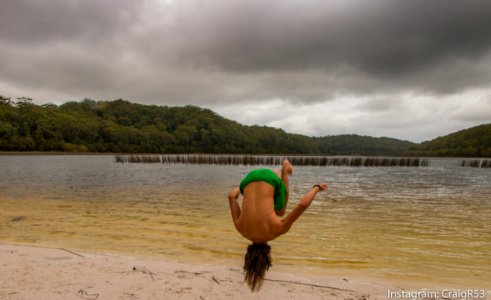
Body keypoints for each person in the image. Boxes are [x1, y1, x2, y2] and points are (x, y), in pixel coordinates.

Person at [228, 159, 328, 291]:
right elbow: (231, 196)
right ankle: (272, 174)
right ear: (248, 253)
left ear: (267, 255)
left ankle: (284, 170)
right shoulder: (240, 228)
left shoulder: (277, 230)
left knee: (281, 212)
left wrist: (317, 188)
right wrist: (246, 187)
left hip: (269, 180)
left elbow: (302, 205)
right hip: (247, 179)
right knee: (274, 208)